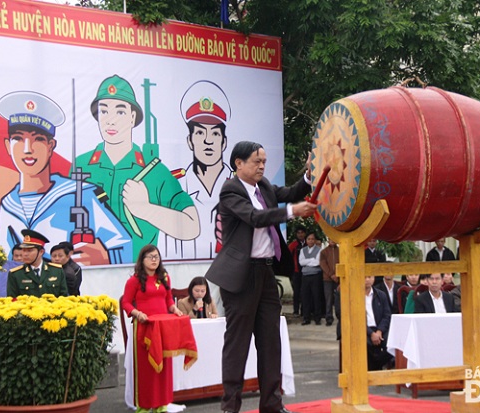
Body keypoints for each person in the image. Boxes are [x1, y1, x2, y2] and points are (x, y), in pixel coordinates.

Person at [204, 141, 316, 413]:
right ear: (238, 163)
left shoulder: (263, 186)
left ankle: (272, 405)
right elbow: (255, 217)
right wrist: (292, 212)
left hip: (266, 273)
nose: (262, 166)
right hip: (241, 277)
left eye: (264, 161)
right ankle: (230, 407)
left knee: (270, 342)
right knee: (238, 345)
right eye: (256, 161)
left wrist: (309, 175)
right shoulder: (230, 191)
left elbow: (290, 192)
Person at [0, 90, 132, 265]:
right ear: (8, 146)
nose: (27, 149)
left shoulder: (82, 195)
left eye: (37, 139)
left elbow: (125, 246)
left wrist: (106, 257)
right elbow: (5, 262)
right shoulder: (8, 204)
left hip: (72, 286)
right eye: (18, 139)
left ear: (51, 146)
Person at [74, 75, 200, 260]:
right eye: (104, 111)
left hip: (138, 274)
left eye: (120, 112)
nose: (111, 120)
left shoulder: (153, 171)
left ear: (133, 117)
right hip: (90, 276)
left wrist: (145, 209)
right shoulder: (81, 165)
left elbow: (192, 226)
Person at [161, 80, 234, 260]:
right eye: (200, 133)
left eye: (215, 133)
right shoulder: (175, 188)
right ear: (190, 140)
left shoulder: (238, 187)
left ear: (224, 142)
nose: (208, 141)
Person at [121, 244, 185, 413]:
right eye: (150, 257)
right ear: (142, 260)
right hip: (144, 328)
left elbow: (169, 299)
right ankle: (143, 405)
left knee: (163, 366)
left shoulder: (164, 277)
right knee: (146, 369)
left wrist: (174, 309)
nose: (154, 260)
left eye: (156, 256)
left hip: (162, 328)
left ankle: (161, 404)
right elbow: (125, 303)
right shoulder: (134, 280)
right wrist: (137, 313)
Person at [6, 229, 67, 298]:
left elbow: (63, 298)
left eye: (29, 250)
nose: (25, 254)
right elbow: (12, 300)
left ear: (41, 252)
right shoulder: (16, 274)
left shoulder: (56, 271)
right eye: (23, 250)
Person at [364, 275, 394, 370]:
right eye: (364, 277)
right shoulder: (354, 295)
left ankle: (375, 366)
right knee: (365, 344)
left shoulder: (380, 295)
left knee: (392, 342)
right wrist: (371, 333)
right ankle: (375, 368)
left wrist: (380, 331)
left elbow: (387, 315)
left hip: (379, 328)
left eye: (369, 277)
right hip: (363, 329)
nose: (367, 280)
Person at [299, 232, 323, 326]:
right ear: (306, 240)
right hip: (305, 276)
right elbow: (301, 262)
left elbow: (317, 262)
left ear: (315, 240)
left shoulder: (319, 250)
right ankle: (306, 318)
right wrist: (311, 260)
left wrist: (307, 261)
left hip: (315, 275)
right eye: (309, 239)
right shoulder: (303, 250)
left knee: (316, 296)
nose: (310, 241)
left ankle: (317, 318)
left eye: (312, 239)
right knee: (305, 297)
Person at [319, 237, 339, 326]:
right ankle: (329, 318)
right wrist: (331, 274)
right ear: (328, 240)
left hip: (339, 278)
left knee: (339, 299)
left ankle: (340, 316)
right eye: (331, 239)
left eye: (334, 239)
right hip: (327, 279)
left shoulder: (341, 251)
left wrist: (338, 275)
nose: (332, 241)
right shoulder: (324, 252)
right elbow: (323, 264)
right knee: (329, 299)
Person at [288, 226, 307, 316]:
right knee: (296, 292)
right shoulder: (293, 245)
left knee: (305, 292)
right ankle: (296, 311)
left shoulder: (308, 244)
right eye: (298, 233)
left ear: (305, 234)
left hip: (305, 272)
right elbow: (288, 259)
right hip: (295, 272)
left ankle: (304, 311)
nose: (300, 234)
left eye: (302, 232)